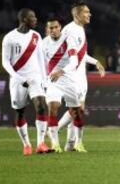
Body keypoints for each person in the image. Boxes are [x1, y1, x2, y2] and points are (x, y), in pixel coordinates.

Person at [56, 3, 105, 152]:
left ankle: (70, 144)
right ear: (77, 15)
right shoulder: (69, 30)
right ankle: (54, 130)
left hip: (81, 76)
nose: (89, 14)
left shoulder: (80, 29)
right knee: (76, 109)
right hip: (72, 76)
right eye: (86, 12)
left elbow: (81, 55)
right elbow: (70, 57)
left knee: (78, 110)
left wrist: (96, 62)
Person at [1, 8, 49, 155]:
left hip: (35, 78)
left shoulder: (36, 36)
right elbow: (5, 62)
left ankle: (41, 143)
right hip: (18, 80)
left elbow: (41, 59)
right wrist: (18, 78)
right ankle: (26, 144)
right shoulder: (9, 37)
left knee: (41, 106)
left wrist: (44, 79)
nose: (35, 19)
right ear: (23, 19)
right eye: (32, 17)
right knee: (20, 112)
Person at [42, 17, 82, 153]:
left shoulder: (68, 40)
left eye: (55, 27)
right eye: (50, 28)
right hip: (53, 80)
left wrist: (61, 71)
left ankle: (77, 142)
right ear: (47, 30)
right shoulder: (43, 43)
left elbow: (74, 61)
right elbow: (41, 65)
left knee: (76, 112)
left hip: (68, 78)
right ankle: (55, 144)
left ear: (60, 28)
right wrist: (43, 80)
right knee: (53, 106)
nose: (53, 30)